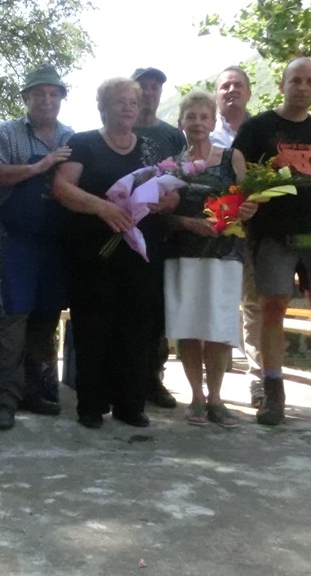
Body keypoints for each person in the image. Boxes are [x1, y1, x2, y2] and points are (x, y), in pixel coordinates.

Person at [232, 57, 311, 433]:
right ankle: (273, 392)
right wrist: (245, 193)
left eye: (310, 81)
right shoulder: (258, 126)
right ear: (282, 84)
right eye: (295, 80)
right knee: (272, 308)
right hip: (272, 233)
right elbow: (237, 159)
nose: (302, 87)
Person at [52, 77, 179, 429]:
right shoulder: (83, 143)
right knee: (94, 328)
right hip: (94, 254)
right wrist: (102, 207)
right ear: (103, 107)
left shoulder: (151, 148)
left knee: (136, 330)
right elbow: (61, 187)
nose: (128, 108)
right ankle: (91, 406)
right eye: (120, 101)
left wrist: (165, 202)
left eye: (132, 103)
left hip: (140, 255)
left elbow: (172, 194)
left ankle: (130, 405)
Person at [0, 64, 73, 430]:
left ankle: (35, 391)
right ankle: (4, 399)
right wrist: (40, 166)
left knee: (46, 318)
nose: (46, 99)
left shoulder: (72, 137)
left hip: (55, 242)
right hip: (16, 241)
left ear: (62, 98)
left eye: (54, 93)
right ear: (26, 98)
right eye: (39, 93)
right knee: (12, 319)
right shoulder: (5, 134)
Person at [163, 91, 256, 428]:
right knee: (188, 326)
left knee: (219, 326)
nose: (198, 123)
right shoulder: (172, 165)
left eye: (204, 117)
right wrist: (188, 223)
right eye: (191, 117)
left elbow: (249, 200)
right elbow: (161, 214)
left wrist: (248, 208)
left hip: (224, 253)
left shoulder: (232, 157)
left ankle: (216, 398)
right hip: (183, 253)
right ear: (181, 122)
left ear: (213, 122)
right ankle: (196, 398)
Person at [131, 66, 185, 410]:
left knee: (156, 308)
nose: (149, 93)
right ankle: (124, 377)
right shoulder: (120, 127)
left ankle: (153, 377)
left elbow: (183, 178)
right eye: (143, 87)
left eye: (155, 87)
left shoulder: (173, 136)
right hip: (122, 226)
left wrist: (171, 201)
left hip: (159, 232)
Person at [210, 66, 264, 407]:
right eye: (225, 86)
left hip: (256, 231)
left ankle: (259, 379)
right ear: (216, 94)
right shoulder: (202, 131)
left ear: (249, 92)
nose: (231, 90)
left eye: (238, 85)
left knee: (255, 304)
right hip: (212, 234)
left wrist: (256, 202)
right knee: (216, 302)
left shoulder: (264, 130)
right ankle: (210, 382)